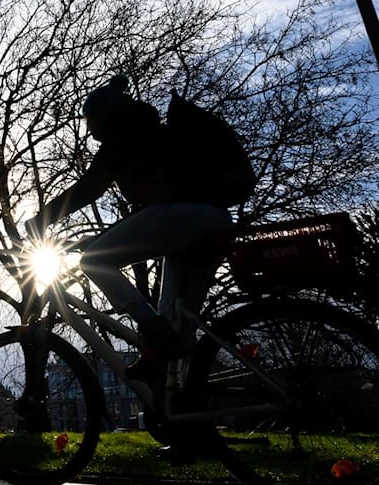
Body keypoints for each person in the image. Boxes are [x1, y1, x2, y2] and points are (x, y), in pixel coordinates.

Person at [24, 75, 236, 383]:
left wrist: (41, 219)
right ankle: (184, 409)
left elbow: (88, 189)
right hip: (212, 221)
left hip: (179, 217)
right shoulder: (157, 135)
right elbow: (143, 220)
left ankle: (153, 333)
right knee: (177, 327)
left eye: (92, 119)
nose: (90, 128)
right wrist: (99, 238)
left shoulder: (124, 138)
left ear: (109, 115)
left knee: (94, 261)